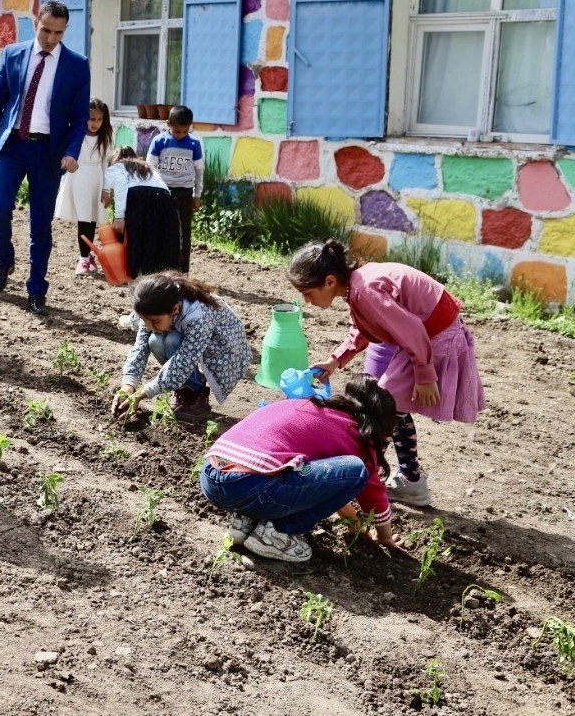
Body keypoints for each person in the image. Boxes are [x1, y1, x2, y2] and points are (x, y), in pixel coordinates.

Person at [287, 240, 486, 508]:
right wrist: (335, 361)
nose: (306, 301)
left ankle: (373, 478)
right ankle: (406, 480)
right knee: (390, 408)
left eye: (307, 293)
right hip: (426, 339)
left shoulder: (365, 289)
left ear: (330, 281)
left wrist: (425, 375)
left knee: (383, 408)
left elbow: (412, 329)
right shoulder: (357, 285)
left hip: (435, 340)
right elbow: (364, 328)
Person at [0, 0, 91, 316]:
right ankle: (4, 262)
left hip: (48, 154)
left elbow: (79, 119)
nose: (50, 38)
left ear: (65, 31)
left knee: (40, 225)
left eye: (58, 33)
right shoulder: (12, 54)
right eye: (46, 30)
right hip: (12, 146)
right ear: (36, 22)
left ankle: (36, 290)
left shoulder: (77, 65)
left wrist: (71, 151)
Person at [199, 378, 402, 563]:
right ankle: (276, 534)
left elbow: (329, 485)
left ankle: (245, 520)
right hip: (248, 487)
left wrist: (354, 524)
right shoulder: (355, 434)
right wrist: (384, 538)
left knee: (281, 468)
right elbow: (372, 494)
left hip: (212, 472)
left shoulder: (312, 406)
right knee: (357, 470)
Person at [111, 271, 251, 421]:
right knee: (154, 341)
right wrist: (128, 385)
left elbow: (183, 362)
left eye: (155, 322)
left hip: (225, 349)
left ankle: (196, 394)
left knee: (172, 340)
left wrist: (141, 395)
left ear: (175, 309)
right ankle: (185, 389)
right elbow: (140, 348)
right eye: (145, 321)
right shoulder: (153, 304)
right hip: (193, 341)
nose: (149, 326)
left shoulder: (197, 316)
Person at [102, 147, 182, 278]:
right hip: (165, 202)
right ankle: (158, 281)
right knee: (158, 244)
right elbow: (164, 190)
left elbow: (121, 186)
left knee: (137, 243)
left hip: (139, 200)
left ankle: (137, 278)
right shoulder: (148, 169)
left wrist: (119, 218)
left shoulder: (116, 167)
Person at [54, 98, 112, 276]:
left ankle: (86, 255)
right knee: (83, 219)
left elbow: (106, 165)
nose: (95, 124)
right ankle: (84, 258)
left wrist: (106, 189)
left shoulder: (105, 139)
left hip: (96, 180)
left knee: (91, 219)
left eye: (99, 120)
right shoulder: (76, 135)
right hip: (78, 178)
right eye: (91, 119)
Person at [145, 105, 203, 272]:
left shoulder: (194, 144)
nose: (180, 135)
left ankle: (182, 272)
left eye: (185, 132)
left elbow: (199, 171)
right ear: (168, 124)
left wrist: (197, 195)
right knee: (160, 231)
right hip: (162, 193)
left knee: (184, 234)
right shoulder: (159, 141)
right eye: (177, 131)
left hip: (185, 194)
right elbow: (150, 167)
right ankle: (159, 269)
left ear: (190, 126)